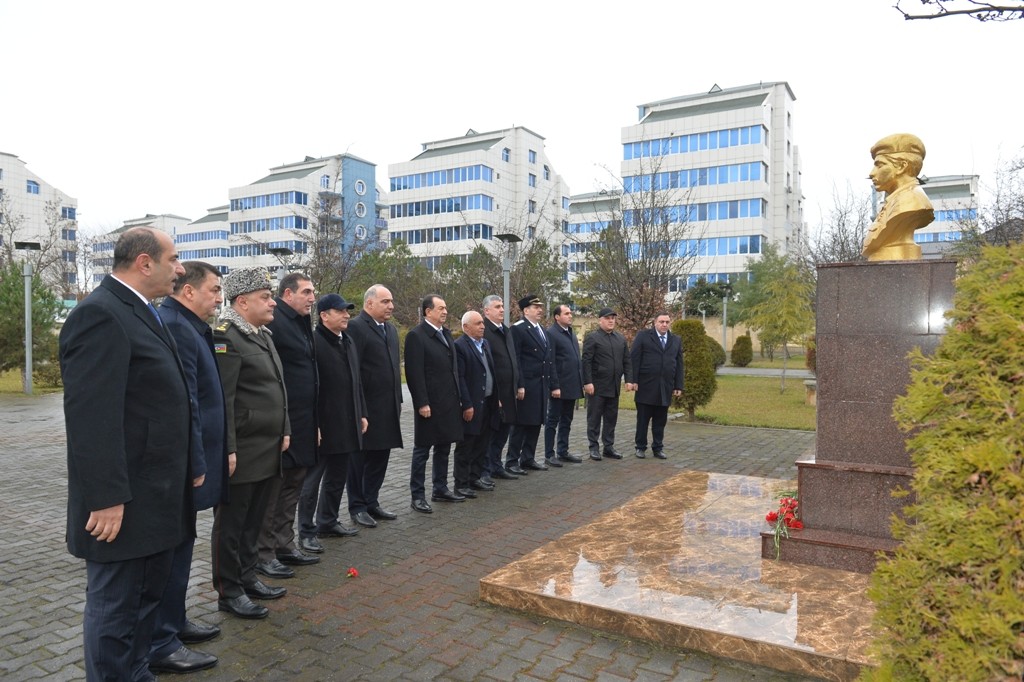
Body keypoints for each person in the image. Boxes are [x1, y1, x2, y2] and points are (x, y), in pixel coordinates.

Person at [60, 227, 192, 680]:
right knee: (116, 608)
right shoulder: (100, 314)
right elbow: (90, 417)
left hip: (155, 492)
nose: (180, 269)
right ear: (144, 262)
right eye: (173, 259)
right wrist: (106, 497)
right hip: (124, 500)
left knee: (144, 602)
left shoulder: (142, 311)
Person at [149, 261, 228, 675]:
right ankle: (161, 640)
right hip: (185, 462)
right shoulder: (176, 326)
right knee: (173, 550)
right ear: (189, 292)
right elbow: (187, 402)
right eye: (214, 290)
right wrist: (198, 460)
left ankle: (173, 621)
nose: (219, 298)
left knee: (182, 545)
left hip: (199, 457)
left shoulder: (190, 325)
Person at [212, 267, 291, 620]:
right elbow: (224, 399)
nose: (272, 302)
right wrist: (227, 447)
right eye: (265, 297)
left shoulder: (261, 334)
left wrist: (284, 427)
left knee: (254, 520)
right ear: (242, 302)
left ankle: (247, 576)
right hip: (243, 448)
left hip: (268, 446)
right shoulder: (226, 337)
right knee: (233, 524)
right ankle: (229, 591)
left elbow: (278, 387)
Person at [259, 273, 322, 578]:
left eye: (313, 292)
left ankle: (285, 544)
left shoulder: (301, 321)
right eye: (307, 292)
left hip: (304, 420)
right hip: (283, 423)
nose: (312, 298)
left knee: (294, 485)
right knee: (276, 488)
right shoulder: (274, 321)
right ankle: (265, 552)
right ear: (288, 294)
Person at [297, 294, 368, 554]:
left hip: (347, 422)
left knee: (338, 477)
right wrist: (313, 424)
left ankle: (328, 521)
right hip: (324, 425)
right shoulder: (314, 343)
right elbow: (309, 387)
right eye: (340, 311)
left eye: (347, 311)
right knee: (312, 481)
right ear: (324, 315)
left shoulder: (347, 341)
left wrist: (362, 412)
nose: (347, 315)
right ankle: (306, 531)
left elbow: (356, 381)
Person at [345, 284, 403, 527]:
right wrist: (359, 408)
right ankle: (357, 506)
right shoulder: (356, 327)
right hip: (367, 407)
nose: (391, 306)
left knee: (381, 455)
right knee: (359, 460)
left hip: (388, 406)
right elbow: (353, 369)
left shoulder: (390, 329)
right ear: (369, 304)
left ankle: (372, 501)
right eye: (385, 301)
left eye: (391, 301)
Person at [405, 294, 464, 512]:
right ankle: (417, 495)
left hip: (448, 402)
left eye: (446, 308)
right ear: (427, 311)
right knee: (422, 450)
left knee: (444, 447)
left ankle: (440, 488)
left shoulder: (446, 334)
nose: (445, 312)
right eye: (440, 308)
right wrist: (421, 402)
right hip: (429, 404)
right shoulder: (417, 336)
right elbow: (414, 373)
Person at [507, 294, 560, 474]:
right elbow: (516, 360)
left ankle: (527, 458)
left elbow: (548, 360)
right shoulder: (518, 329)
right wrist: (519, 384)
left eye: (540, 307)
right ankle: (512, 460)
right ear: (526, 310)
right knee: (521, 423)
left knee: (536, 421)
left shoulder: (542, 330)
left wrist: (553, 384)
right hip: (527, 385)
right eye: (535, 307)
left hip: (541, 384)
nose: (540, 310)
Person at [862, 133, 934, 261]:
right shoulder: (894, 202)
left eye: (879, 165)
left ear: (901, 166)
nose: (872, 173)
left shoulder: (913, 201)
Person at [453, 310, 498, 498]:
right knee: (466, 444)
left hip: (487, 401)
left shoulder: (485, 344)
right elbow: (461, 377)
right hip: (472, 404)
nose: (482, 326)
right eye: (478, 323)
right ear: (466, 327)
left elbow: (490, 372)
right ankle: (461, 483)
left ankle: (475, 477)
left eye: (482, 323)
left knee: (482, 441)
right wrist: (467, 404)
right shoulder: (460, 346)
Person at [582, 307, 634, 460]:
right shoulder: (593, 337)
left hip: (614, 385)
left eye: (613, 318)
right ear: (600, 320)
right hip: (597, 386)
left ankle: (609, 447)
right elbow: (586, 362)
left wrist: (629, 380)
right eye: (608, 318)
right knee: (594, 418)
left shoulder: (620, 338)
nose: (611, 321)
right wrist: (588, 382)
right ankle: (593, 447)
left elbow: (627, 361)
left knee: (611, 418)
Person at [482, 295, 524, 483]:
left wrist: (519, 384)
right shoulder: (484, 331)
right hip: (494, 393)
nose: (502, 310)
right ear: (486, 311)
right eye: (497, 306)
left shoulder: (506, 331)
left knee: (503, 431)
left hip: (509, 391)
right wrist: (495, 395)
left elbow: (514, 360)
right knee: (491, 433)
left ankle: (496, 466)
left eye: (503, 306)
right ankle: (485, 469)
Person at [630, 312, 684, 460]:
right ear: (655, 323)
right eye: (661, 321)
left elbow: (679, 364)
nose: (664, 324)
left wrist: (678, 385)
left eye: (667, 322)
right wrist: (633, 380)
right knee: (643, 420)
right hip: (645, 386)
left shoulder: (675, 340)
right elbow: (634, 359)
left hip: (665, 387)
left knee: (660, 421)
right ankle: (640, 447)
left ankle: (658, 448)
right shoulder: (643, 336)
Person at [544, 304, 584, 467]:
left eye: (570, 313)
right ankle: (548, 454)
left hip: (572, 385)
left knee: (567, 420)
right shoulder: (552, 334)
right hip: (559, 387)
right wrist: (554, 386)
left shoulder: (570, 333)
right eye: (566, 313)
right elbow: (550, 361)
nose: (570, 315)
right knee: (552, 420)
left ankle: (563, 451)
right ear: (557, 317)